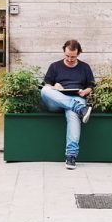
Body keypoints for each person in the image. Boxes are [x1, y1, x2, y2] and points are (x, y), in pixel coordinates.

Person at [40, 39, 94, 170]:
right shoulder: (54, 66)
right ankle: (80, 109)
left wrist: (85, 92)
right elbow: (47, 84)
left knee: (73, 114)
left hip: (77, 97)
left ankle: (71, 155)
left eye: (73, 57)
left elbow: (91, 86)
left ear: (79, 53)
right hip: (57, 101)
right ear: (64, 52)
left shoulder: (85, 67)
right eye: (67, 56)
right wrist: (55, 86)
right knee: (45, 90)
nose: (70, 59)